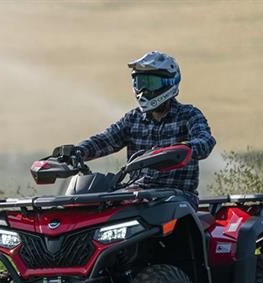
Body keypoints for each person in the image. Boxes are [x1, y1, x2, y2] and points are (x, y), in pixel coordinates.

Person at [77, 51, 216, 210]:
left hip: (178, 197)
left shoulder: (188, 115)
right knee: (97, 208)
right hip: (136, 194)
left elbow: (205, 140)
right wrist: (77, 151)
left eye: (151, 83)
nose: (143, 89)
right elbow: (105, 140)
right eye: (139, 82)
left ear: (170, 82)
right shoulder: (133, 119)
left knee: (158, 210)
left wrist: (186, 148)